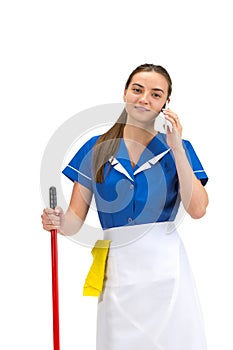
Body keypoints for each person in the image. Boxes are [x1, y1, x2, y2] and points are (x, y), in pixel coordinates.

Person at [41, 63, 209, 349]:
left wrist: (177, 147)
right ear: (125, 93)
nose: (145, 99)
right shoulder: (96, 148)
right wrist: (56, 221)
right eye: (138, 90)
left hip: (167, 271)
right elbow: (74, 223)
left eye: (156, 94)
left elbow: (197, 209)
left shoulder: (178, 149)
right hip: (118, 271)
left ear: (166, 104)